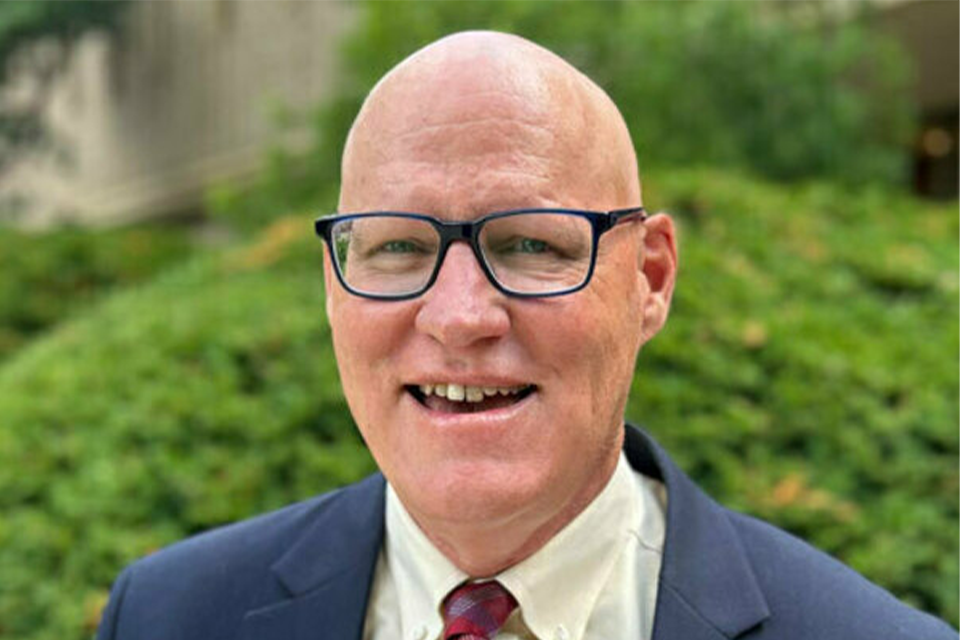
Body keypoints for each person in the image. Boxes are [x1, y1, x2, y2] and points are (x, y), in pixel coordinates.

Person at [97, 31, 959, 640]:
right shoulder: (168, 617)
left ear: (650, 278)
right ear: (333, 286)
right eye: (399, 247)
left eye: (532, 245)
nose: (462, 316)